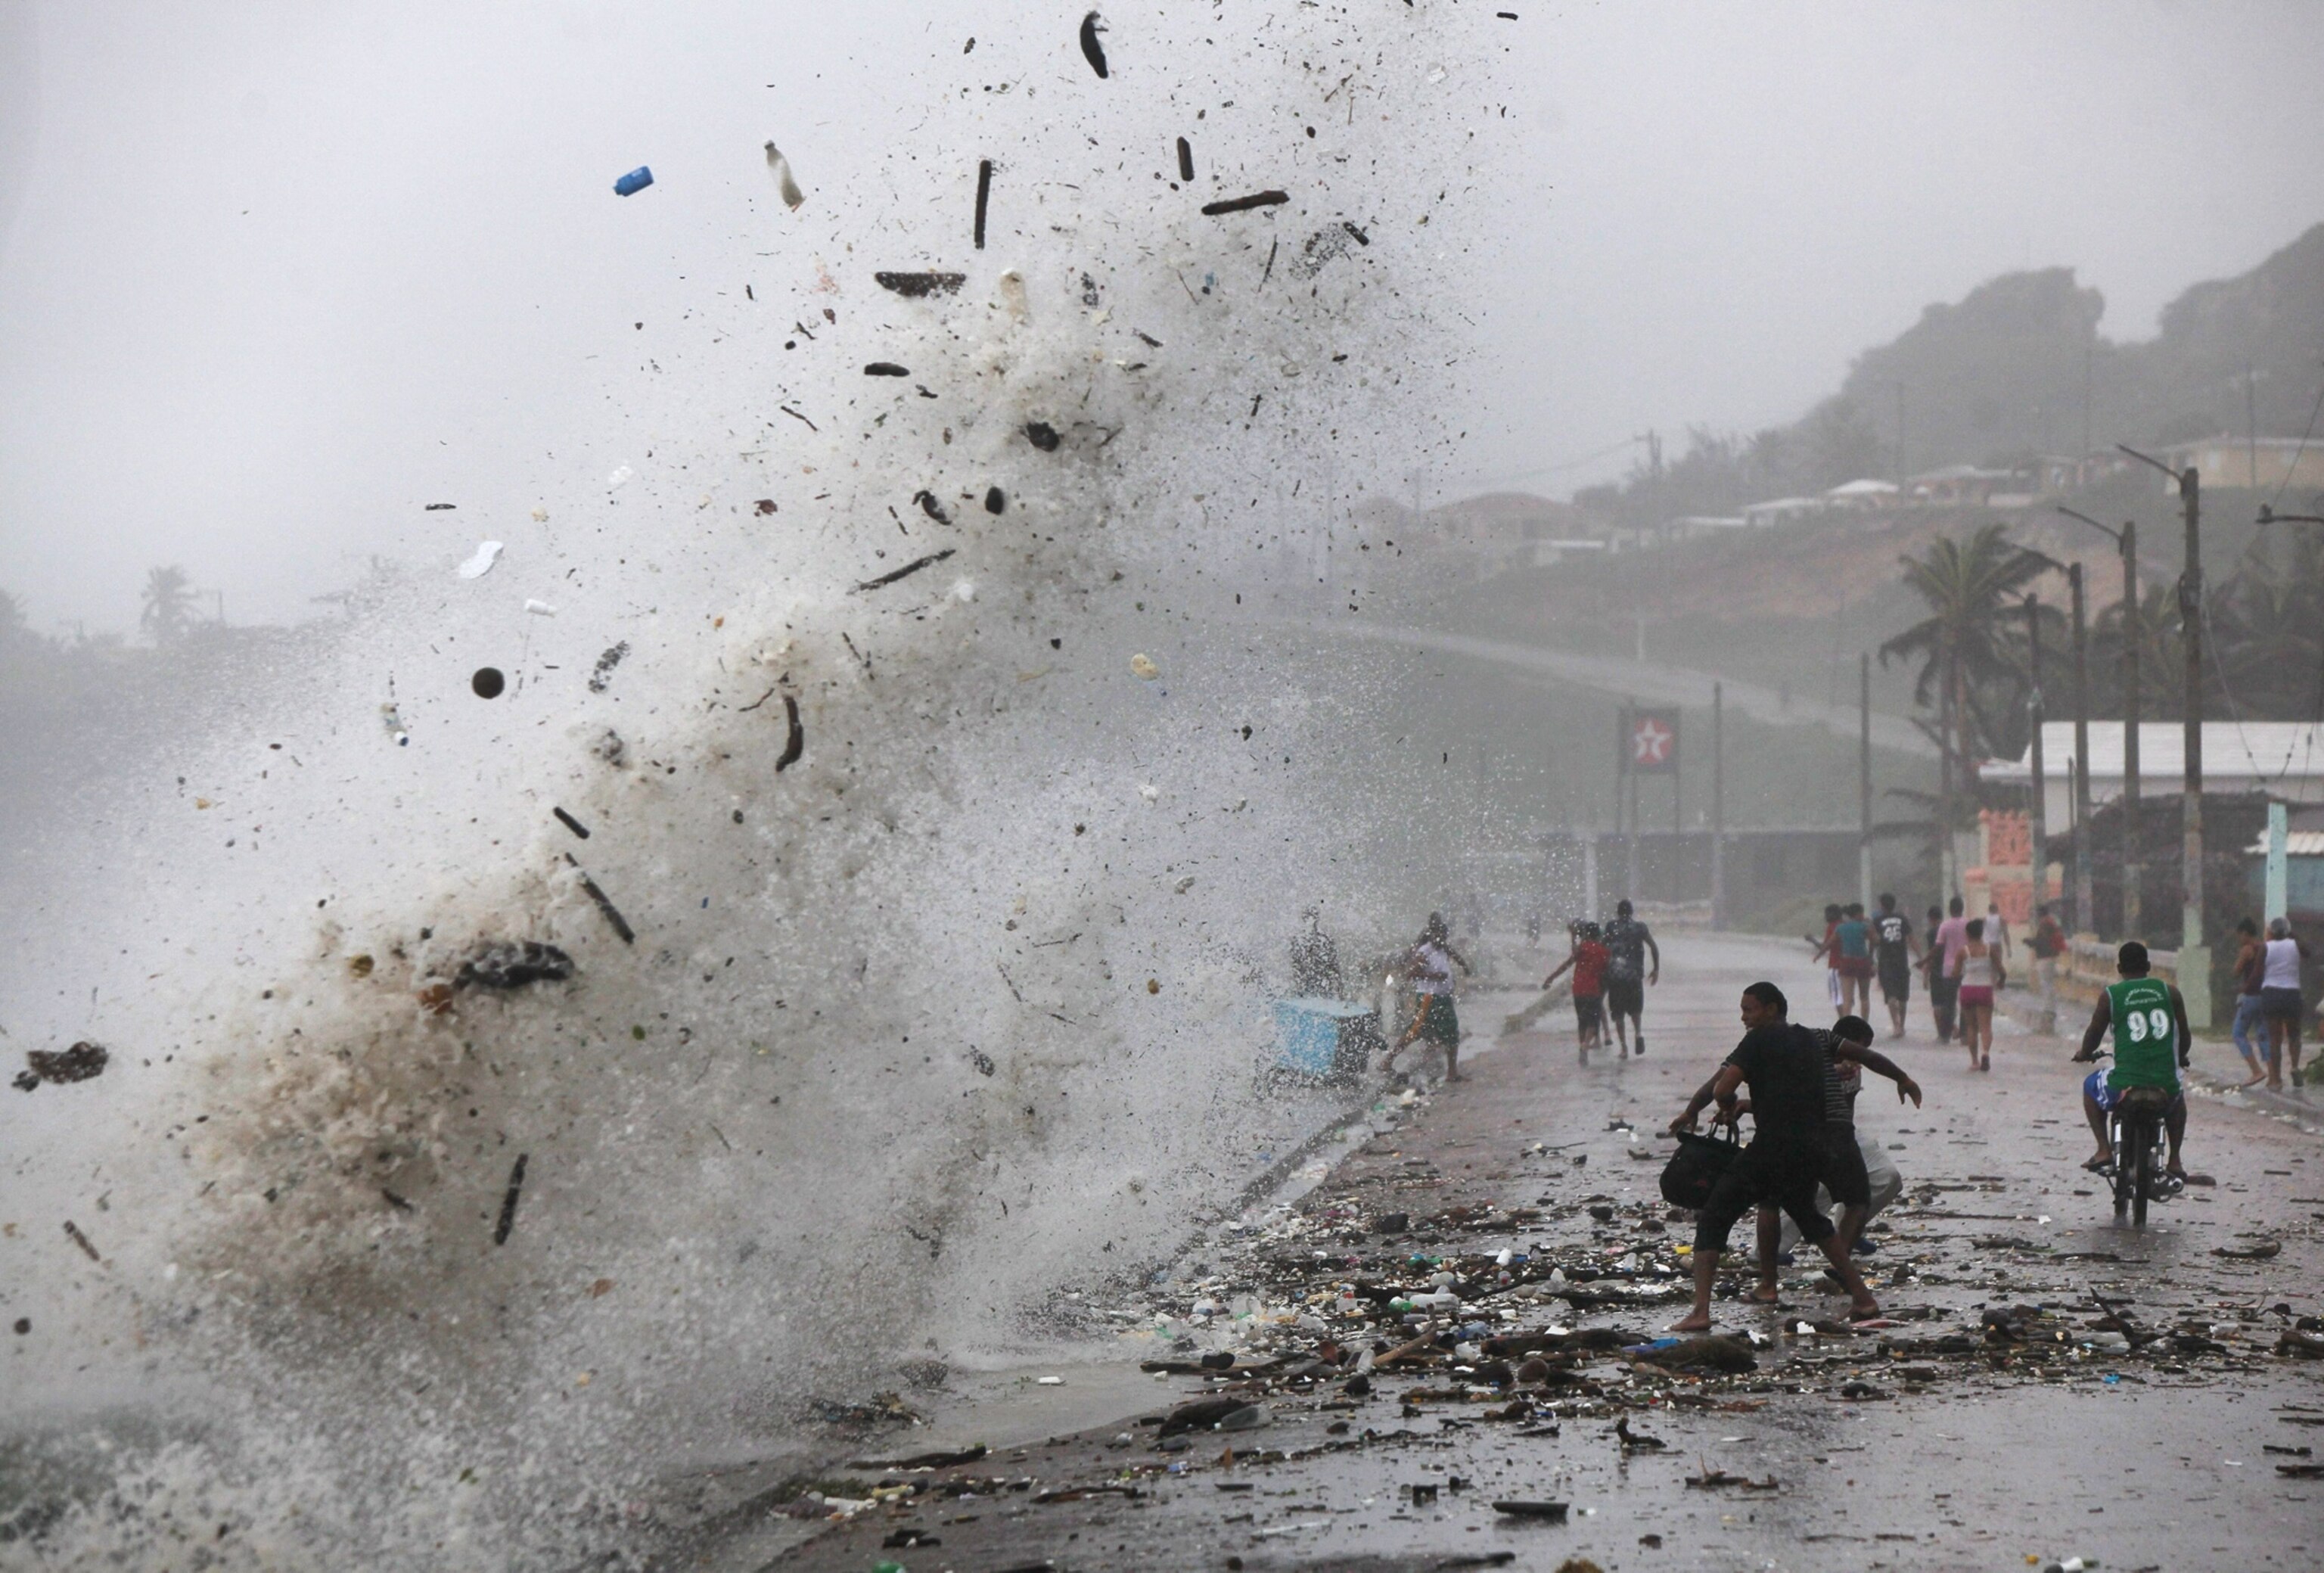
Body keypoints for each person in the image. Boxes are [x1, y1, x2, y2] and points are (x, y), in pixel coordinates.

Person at [1666, 982, 1881, 1329]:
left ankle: (1700, 1312)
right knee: (1814, 1222)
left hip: (1769, 1150)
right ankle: (1864, 1299)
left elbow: (1722, 1087)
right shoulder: (1812, 1040)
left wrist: (1723, 1106)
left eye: (1749, 1009)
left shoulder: (1757, 1041)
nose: (1744, 1017)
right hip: (1805, 1150)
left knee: (1714, 1217)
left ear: (1770, 1009)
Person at [1761, 1013, 1922, 1282]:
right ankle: (1771, 1249)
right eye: (1858, 1048)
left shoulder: (1852, 1070)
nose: (1859, 1057)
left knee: (1883, 1180)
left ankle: (1847, 1233)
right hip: (1804, 1132)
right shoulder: (1811, 1053)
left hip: (1840, 1133)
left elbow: (1847, 1107)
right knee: (1812, 1193)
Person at [2071, 940, 2190, 1179]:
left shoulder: (2111, 996)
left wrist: (2085, 1053)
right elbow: (2184, 1036)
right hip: (2163, 1082)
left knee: (2089, 1086)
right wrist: (2181, 1057)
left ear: (2119, 968)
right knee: (2177, 1099)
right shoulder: (2171, 993)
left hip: (2123, 1083)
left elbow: (2094, 1034)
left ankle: (2104, 1149)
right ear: (2148, 965)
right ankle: (2175, 1160)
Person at [1385, 912, 1471, 1083]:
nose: (1441, 938)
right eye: (1438, 935)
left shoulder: (1442, 948)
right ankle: (1387, 1061)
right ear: (1432, 935)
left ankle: (1452, 1073)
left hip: (1442, 998)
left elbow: (1453, 953)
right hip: (1429, 999)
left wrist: (1464, 966)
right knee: (1415, 1031)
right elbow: (1411, 972)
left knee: (1451, 1033)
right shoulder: (1425, 951)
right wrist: (1434, 976)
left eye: (1444, 936)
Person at [1541, 920, 1611, 1058]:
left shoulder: (1582, 949)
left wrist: (1551, 978)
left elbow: (1567, 964)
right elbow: (1606, 972)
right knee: (1593, 1021)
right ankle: (1585, 1045)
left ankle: (1581, 1045)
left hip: (1578, 989)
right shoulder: (1604, 952)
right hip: (1593, 989)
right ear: (1598, 936)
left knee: (1582, 1020)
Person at [1601, 898, 1661, 1057]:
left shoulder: (1611, 927)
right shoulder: (1639, 928)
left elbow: (1602, 946)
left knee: (1618, 1013)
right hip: (1634, 977)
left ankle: (1624, 1048)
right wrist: (1656, 969)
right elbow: (1653, 947)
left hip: (1616, 977)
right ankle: (1638, 1033)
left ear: (1618, 912)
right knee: (1635, 1010)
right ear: (1631, 912)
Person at [2260, 916, 2310, 1092]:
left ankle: (2277, 1079)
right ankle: (2295, 1066)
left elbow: (2259, 971)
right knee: (2294, 1035)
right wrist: (2293, 936)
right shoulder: (2295, 944)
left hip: (2272, 994)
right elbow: (2308, 953)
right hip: (2291, 994)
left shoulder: (2266, 947)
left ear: (2272, 932)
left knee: (2275, 1039)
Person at [1951, 916, 2003, 1072]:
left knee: (1971, 1026)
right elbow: (2002, 970)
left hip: (1968, 989)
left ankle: (1974, 1062)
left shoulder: (1963, 951)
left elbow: (1955, 973)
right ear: (1981, 933)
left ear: (1967, 934)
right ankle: (1986, 1053)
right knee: (1986, 1026)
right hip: (1985, 989)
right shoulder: (1989, 950)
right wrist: (2001, 982)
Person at [1872, 893, 1922, 1039]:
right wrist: (1921, 957)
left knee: (1891, 995)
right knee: (1903, 996)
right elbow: (1912, 939)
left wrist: (1871, 958)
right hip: (1901, 960)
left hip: (1886, 961)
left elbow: (1874, 940)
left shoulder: (1877, 920)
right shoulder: (1902, 919)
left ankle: (1896, 1025)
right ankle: (1903, 1025)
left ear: (1882, 905)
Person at [2228, 918, 2270, 1090]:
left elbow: (2236, 972)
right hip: (2265, 996)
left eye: (2240, 936)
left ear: (2245, 934)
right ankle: (2274, 1076)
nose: (2239, 939)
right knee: (2263, 1034)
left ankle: (2256, 1070)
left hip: (2250, 996)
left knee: (2238, 1033)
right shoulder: (2265, 948)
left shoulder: (2247, 950)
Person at [1931, 897, 1971, 1044]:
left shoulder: (1945, 926)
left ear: (1950, 909)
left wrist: (1927, 960)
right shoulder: (1969, 924)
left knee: (1949, 1004)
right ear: (1962, 908)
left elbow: (1939, 946)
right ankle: (1965, 1035)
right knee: (1965, 1003)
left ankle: (1945, 1035)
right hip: (1966, 968)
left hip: (1948, 969)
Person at [1832, 902, 1875, 1019]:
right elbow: (1875, 940)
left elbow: (1832, 943)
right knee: (1864, 997)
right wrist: (1871, 955)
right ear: (1858, 913)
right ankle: (1864, 1025)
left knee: (1847, 998)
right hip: (1862, 961)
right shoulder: (1864, 926)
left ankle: (1847, 1027)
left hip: (1846, 962)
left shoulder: (1841, 927)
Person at [1922, 903, 1957, 1043]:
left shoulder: (1931, 933)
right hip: (1952, 969)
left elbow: (1932, 954)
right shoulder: (1949, 930)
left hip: (1937, 970)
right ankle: (1951, 1029)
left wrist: (1925, 974)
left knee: (1937, 1004)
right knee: (1949, 1003)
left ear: (1931, 918)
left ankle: (1942, 1034)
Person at [1805, 903, 1844, 1012]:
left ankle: (1844, 1020)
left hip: (1835, 965)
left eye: (1827, 914)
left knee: (1837, 998)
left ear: (1834, 914)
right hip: (1847, 966)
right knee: (1846, 996)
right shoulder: (1845, 925)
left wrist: (1812, 940)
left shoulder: (1833, 927)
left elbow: (1826, 946)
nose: (1825, 917)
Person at [2027, 904, 2066, 999]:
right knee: (2049, 983)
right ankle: (2050, 1007)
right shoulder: (2051, 922)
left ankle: (2049, 1008)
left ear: (2040, 914)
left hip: (2045, 957)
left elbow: (2043, 941)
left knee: (2046, 983)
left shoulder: (2045, 924)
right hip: (2051, 956)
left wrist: (2031, 942)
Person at [1984, 900, 2014, 966]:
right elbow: (2006, 935)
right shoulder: (2001, 920)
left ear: (1989, 910)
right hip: (1996, 945)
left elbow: (1979, 935)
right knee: (1997, 967)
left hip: (1986, 946)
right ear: (1997, 910)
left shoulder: (1984, 920)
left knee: (1988, 967)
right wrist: (2009, 948)